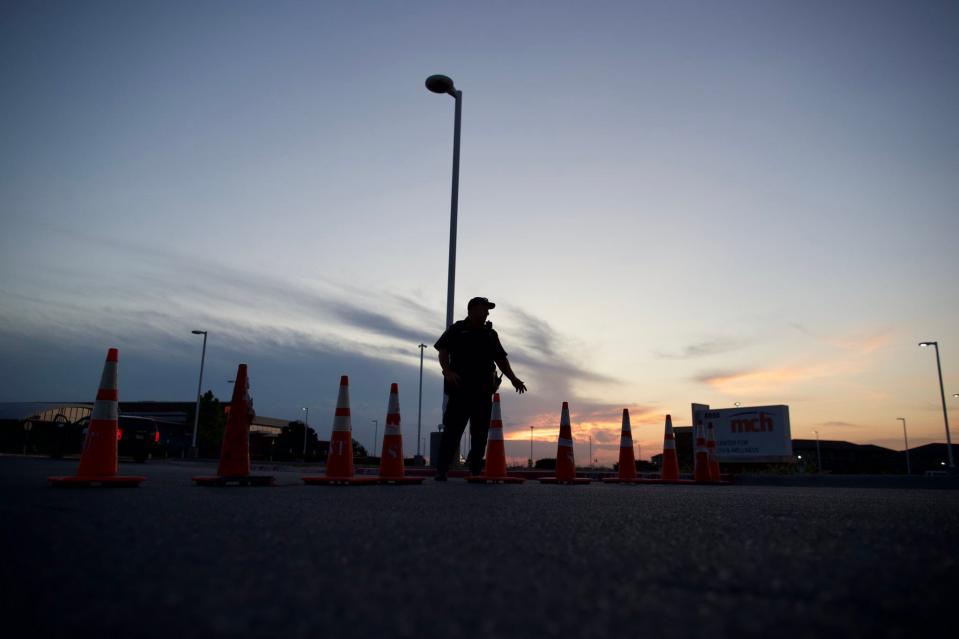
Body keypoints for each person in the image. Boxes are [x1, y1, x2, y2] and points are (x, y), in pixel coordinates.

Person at [433, 297, 527, 480]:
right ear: (473, 309)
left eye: (488, 310)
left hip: (483, 391)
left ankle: (475, 469)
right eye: (485, 309)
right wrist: (447, 372)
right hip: (460, 389)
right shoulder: (457, 329)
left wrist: (513, 378)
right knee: (452, 430)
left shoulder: (490, 334)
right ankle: (442, 470)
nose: (487, 313)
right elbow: (443, 350)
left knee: (480, 433)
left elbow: (500, 359)